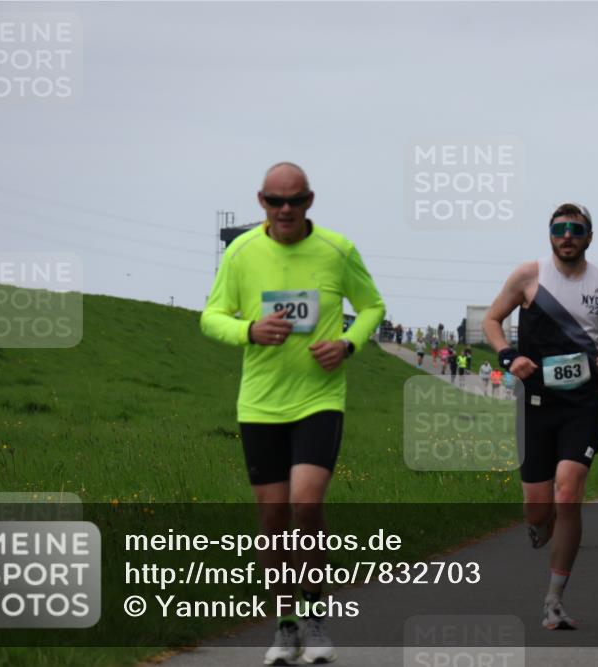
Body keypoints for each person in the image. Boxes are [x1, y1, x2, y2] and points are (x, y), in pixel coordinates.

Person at [201, 162, 385, 665]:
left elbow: (372, 306)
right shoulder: (240, 252)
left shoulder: (336, 249)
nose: (286, 210)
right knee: (273, 517)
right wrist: (248, 331)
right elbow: (211, 316)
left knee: (306, 506)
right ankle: (284, 626)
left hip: (318, 399)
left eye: (296, 200)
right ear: (261, 201)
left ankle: (316, 620)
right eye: (275, 201)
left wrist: (347, 344)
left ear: (310, 200)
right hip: (260, 403)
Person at [482, 202, 598, 631]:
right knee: (538, 510)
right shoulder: (528, 276)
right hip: (535, 406)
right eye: (559, 229)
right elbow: (492, 321)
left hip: (581, 405)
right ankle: (539, 524)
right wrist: (509, 356)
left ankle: (553, 600)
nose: (567, 235)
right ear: (550, 235)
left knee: (568, 493)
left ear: (589, 237)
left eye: (576, 229)